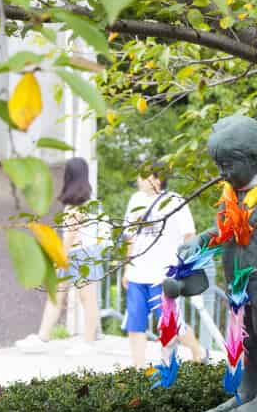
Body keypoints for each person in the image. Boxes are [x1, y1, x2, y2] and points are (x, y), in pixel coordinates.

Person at [170, 115, 257, 412]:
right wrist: (200, 242)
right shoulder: (233, 195)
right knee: (248, 343)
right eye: (220, 165)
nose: (222, 173)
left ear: (254, 159)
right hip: (239, 288)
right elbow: (223, 230)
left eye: (228, 165)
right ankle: (246, 394)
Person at [16, 157, 104, 355]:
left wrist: (59, 258)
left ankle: (86, 343)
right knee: (67, 297)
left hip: (79, 254)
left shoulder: (76, 205)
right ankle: (43, 337)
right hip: (84, 253)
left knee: (80, 298)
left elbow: (71, 234)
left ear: (69, 175)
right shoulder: (89, 202)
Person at [122, 166, 205, 368]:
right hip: (137, 274)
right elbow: (129, 236)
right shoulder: (135, 200)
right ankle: (138, 368)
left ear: (157, 179)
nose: (139, 179)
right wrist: (127, 267)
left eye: (143, 175)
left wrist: (187, 267)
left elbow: (189, 236)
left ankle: (197, 350)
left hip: (163, 275)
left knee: (172, 325)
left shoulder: (175, 201)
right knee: (135, 324)